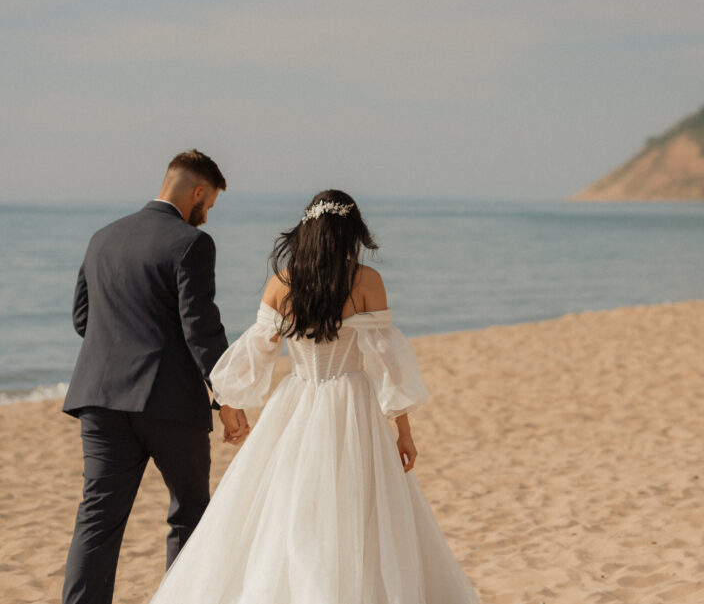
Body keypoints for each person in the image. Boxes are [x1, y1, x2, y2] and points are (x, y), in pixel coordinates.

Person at [146, 189, 479, 603]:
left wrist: (232, 407)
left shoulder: (281, 283)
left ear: (307, 231)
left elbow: (254, 356)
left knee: (289, 509)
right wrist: (404, 430)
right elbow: (386, 362)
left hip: (296, 403)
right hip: (353, 403)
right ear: (349, 232)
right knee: (360, 510)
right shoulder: (366, 281)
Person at [62, 150, 250, 604]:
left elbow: (83, 319)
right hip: (170, 405)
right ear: (197, 192)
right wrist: (229, 399)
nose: (206, 216)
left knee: (97, 519)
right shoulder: (191, 244)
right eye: (208, 205)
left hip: (102, 400)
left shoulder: (102, 238)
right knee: (188, 515)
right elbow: (201, 330)